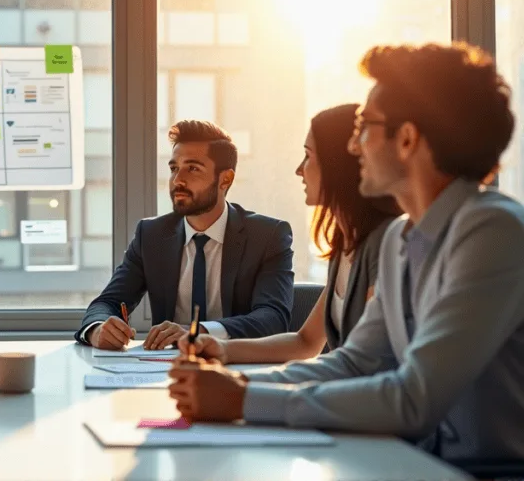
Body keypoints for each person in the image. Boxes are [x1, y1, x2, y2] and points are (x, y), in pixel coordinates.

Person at [169, 43, 524, 462]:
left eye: (364, 126)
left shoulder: (493, 230)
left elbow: (414, 397)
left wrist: (245, 402)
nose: (353, 147)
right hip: (409, 461)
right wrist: (242, 391)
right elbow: (354, 363)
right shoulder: (398, 239)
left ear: (407, 139)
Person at [189, 104, 402, 364]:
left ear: (338, 164)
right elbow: (306, 342)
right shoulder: (344, 244)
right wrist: (224, 350)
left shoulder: (382, 244)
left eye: (308, 156)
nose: (299, 170)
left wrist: (251, 390)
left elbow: (366, 362)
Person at [76, 120, 295, 350]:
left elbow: (273, 318)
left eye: (192, 168)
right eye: (173, 168)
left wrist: (199, 332)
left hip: (239, 368)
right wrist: (98, 329)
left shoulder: (268, 236)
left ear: (225, 179)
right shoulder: (151, 236)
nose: (177, 180)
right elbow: (107, 303)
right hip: (166, 371)